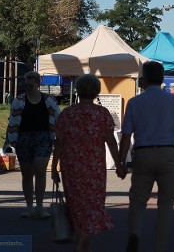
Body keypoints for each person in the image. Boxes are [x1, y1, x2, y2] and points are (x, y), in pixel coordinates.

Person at [118, 61, 174, 252]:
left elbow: (126, 135)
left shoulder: (134, 102)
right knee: (165, 205)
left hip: (142, 153)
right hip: (168, 153)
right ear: (162, 79)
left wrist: (120, 162)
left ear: (144, 79)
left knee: (138, 199)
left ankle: (134, 233)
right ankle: (160, 246)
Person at [51, 74, 124, 252]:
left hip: (71, 167)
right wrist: (119, 164)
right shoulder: (102, 114)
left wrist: (54, 167)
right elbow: (111, 142)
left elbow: (59, 143)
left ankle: (84, 243)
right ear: (97, 91)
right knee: (93, 204)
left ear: (77, 90)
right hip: (94, 168)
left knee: (75, 204)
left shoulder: (67, 114)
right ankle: (81, 242)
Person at [6, 71, 61, 218]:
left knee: (41, 171)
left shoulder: (49, 100)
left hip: (43, 138)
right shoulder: (19, 100)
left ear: (38, 84)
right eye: (26, 85)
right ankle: (29, 207)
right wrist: (11, 139)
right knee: (26, 174)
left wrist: (58, 136)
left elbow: (58, 118)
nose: (28, 88)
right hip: (24, 138)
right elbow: (12, 120)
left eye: (30, 85)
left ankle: (40, 207)